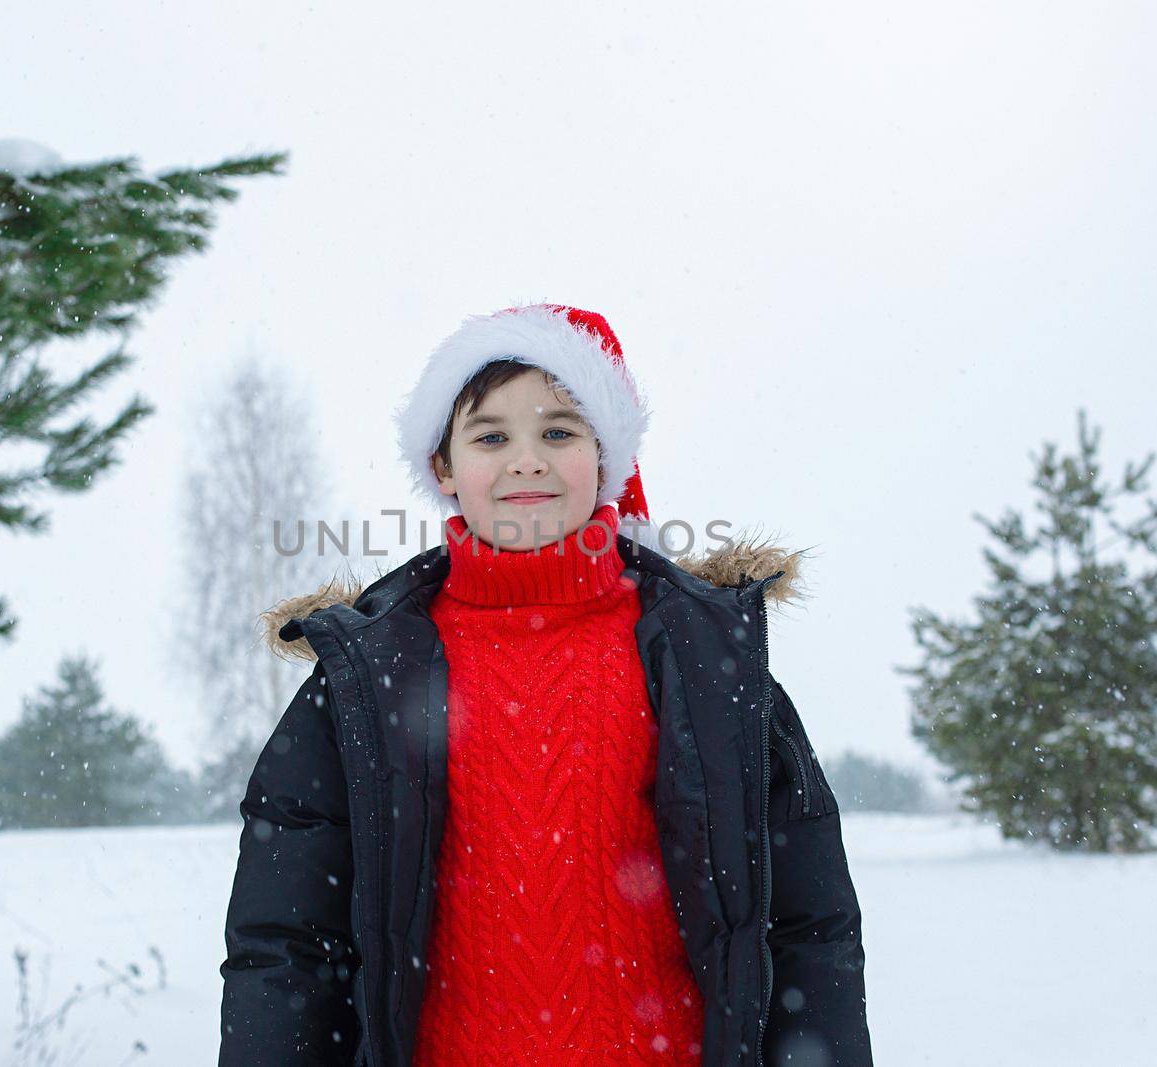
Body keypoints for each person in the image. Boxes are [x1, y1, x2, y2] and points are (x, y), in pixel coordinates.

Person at [218, 304, 872, 1066]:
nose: (526, 459)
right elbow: (287, 943)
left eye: (559, 431)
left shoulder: (703, 656)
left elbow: (807, 929)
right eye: (491, 436)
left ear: (607, 459)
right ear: (442, 465)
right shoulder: (369, 672)